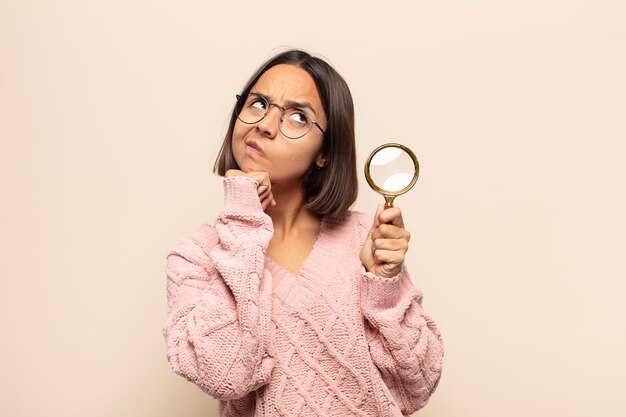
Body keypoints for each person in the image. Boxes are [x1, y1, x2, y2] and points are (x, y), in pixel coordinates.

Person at [162, 49, 443, 416]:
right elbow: (226, 375)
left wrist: (383, 287)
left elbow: (416, 386)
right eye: (258, 103)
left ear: (325, 152)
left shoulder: (363, 239)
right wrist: (243, 221)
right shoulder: (194, 257)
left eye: (298, 116)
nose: (264, 124)